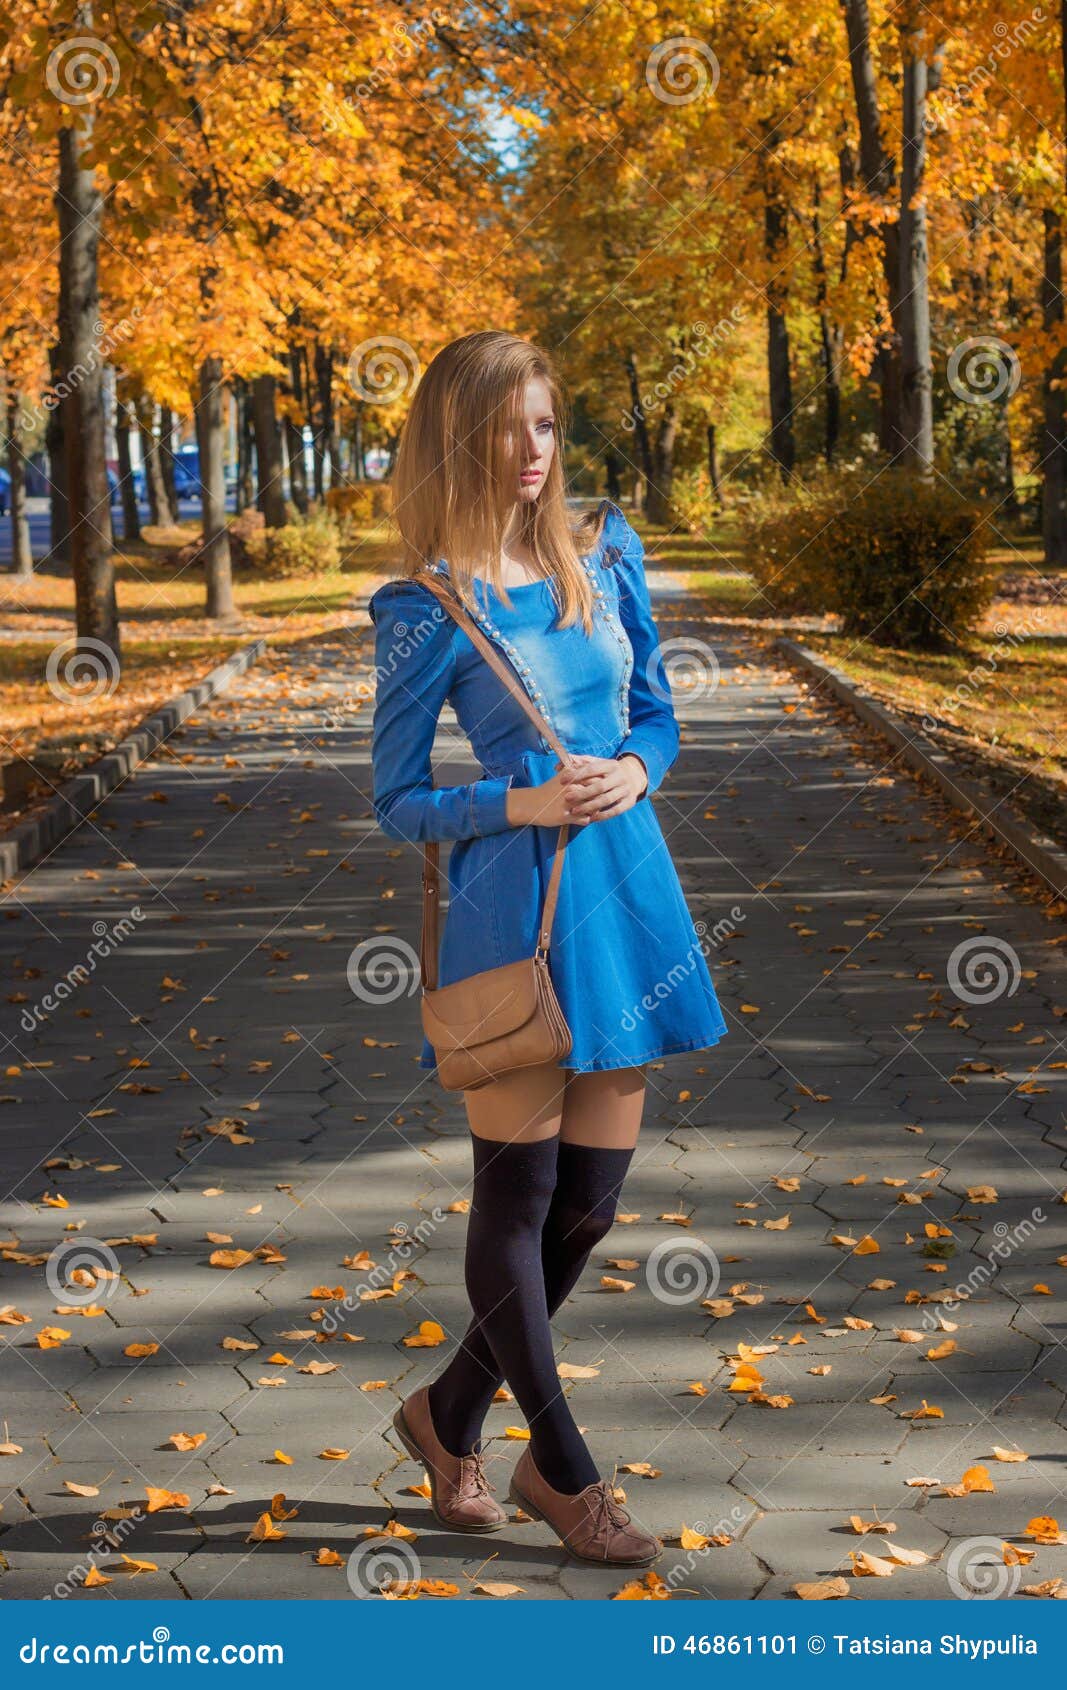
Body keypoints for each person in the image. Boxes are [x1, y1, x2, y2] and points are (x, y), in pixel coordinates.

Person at [367, 330, 728, 1567]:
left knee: (589, 1203)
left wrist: (638, 766)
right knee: (515, 1197)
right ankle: (561, 1470)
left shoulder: (603, 550)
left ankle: (446, 1413)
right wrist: (510, 804)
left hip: (624, 889)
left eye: (544, 424)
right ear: (457, 439)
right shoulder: (425, 602)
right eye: (506, 428)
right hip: (509, 911)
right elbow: (396, 795)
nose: (531, 451)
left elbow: (656, 714)